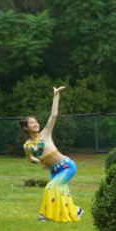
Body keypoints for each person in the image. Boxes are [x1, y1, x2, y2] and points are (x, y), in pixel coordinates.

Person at [22, 86, 82, 222]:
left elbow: (53, 115)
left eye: (36, 122)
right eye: (32, 123)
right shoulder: (27, 146)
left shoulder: (45, 133)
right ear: (26, 128)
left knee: (50, 188)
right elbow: (30, 159)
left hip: (67, 166)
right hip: (54, 170)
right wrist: (42, 162)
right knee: (61, 192)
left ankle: (43, 215)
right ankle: (75, 211)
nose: (36, 124)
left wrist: (56, 95)